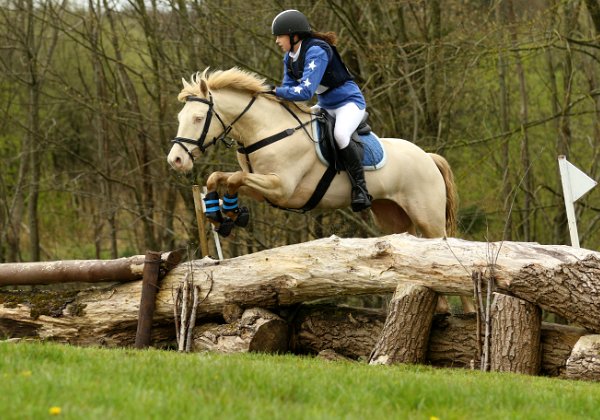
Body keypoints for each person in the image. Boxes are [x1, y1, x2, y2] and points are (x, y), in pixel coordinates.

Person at [270, 9, 372, 212]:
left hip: (349, 103)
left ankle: (360, 189)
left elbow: (305, 92)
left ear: (294, 35)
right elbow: (288, 91)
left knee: (340, 135)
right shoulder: (289, 58)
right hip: (325, 105)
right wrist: (273, 95)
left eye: (280, 36)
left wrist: (275, 91)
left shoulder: (317, 51)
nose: (277, 41)